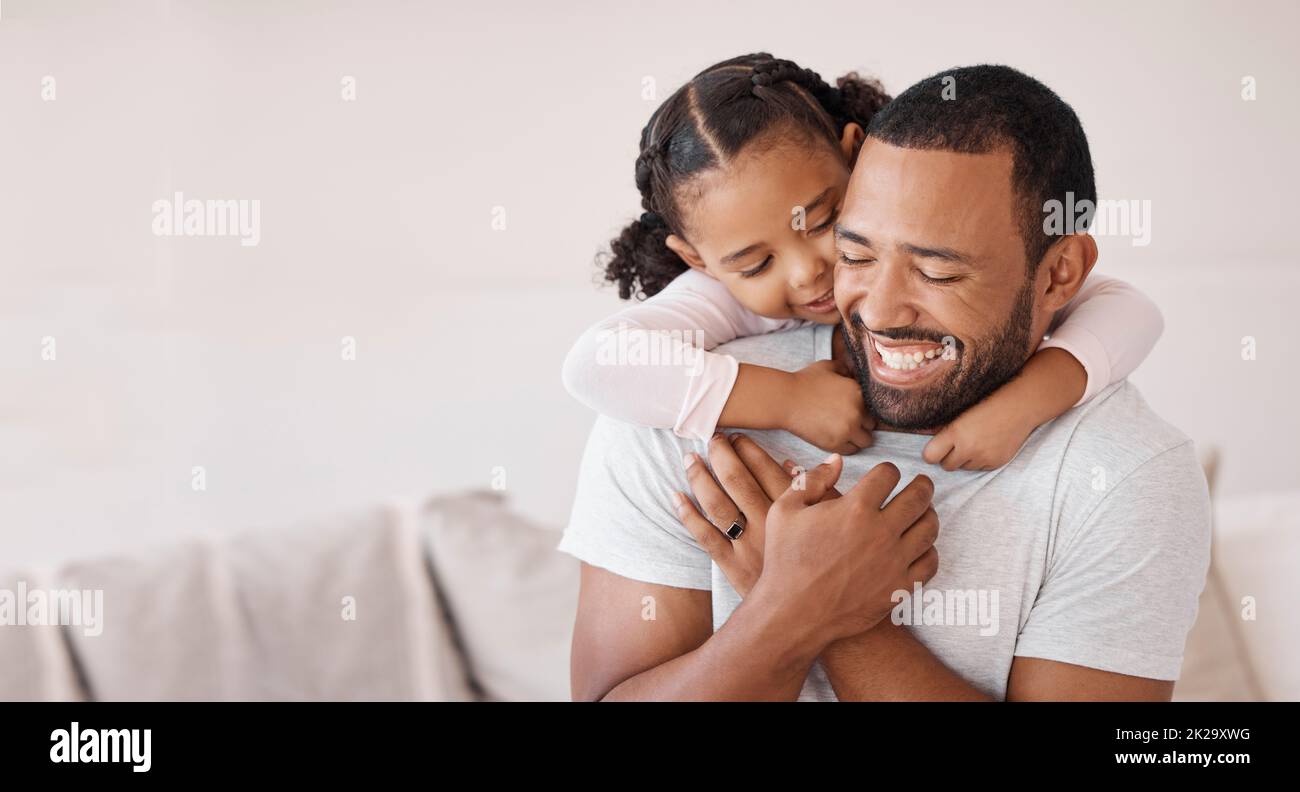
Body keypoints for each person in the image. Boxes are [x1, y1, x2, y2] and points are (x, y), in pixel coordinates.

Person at [558, 63, 1210, 701]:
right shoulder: (675, 407)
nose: (877, 309)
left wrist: (825, 611)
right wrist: (793, 609)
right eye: (857, 253)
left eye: (938, 272)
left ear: (1059, 274)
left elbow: (1130, 311)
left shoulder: (1125, 473)